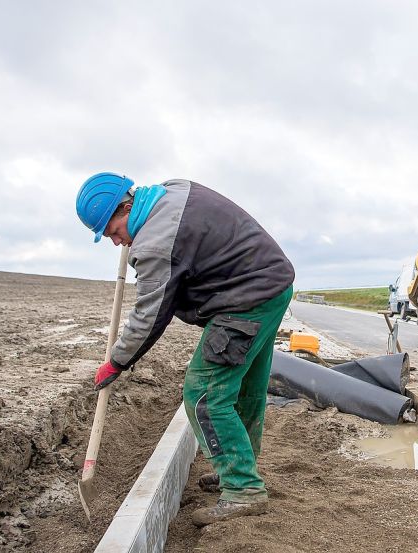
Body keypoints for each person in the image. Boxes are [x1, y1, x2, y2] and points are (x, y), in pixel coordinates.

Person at [75, 172, 295, 526]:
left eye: (114, 232)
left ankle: (242, 489)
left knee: (203, 392)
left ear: (127, 207)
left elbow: (150, 315)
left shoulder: (156, 242)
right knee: (244, 388)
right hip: (272, 287)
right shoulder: (173, 190)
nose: (118, 243)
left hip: (245, 300)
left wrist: (116, 361)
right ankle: (238, 470)